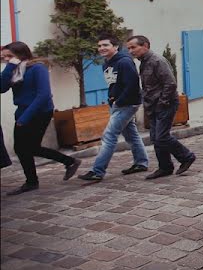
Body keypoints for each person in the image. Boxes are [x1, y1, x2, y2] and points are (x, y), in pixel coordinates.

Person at [1, 41, 80, 194]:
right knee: (25, 148)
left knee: (26, 147)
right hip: (23, 111)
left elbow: (43, 95)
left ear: (21, 55)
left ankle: (33, 181)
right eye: (3, 58)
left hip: (39, 112)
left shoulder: (37, 68)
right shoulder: (14, 70)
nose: (6, 60)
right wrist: (10, 66)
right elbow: (1, 88)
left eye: (9, 56)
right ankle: (68, 162)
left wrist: (25, 118)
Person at [79, 34, 149, 181]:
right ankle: (141, 162)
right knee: (131, 135)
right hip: (117, 104)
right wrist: (112, 100)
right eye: (99, 46)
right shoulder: (106, 63)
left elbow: (132, 85)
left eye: (105, 45)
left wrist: (119, 101)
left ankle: (97, 171)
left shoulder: (124, 62)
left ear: (115, 47)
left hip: (128, 104)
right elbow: (113, 84)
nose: (101, 48)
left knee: (109, 136)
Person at [126, 36, 196, 179]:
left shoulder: (157, 61)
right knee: (155, 138)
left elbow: (170, 83)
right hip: (152, 105)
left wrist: (162, 102)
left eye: (133, 47)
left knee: (162, 137)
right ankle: (165, 167)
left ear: (145, 45)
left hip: (165, 104)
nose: (130, 51)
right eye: (128, 48)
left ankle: (186, 156)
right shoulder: (143, 63)